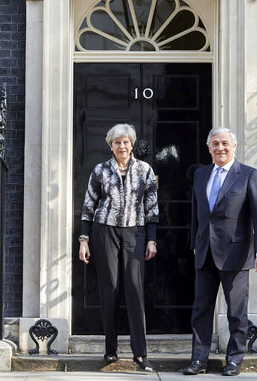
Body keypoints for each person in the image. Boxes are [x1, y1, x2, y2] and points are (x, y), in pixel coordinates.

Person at [183, 127, 257, 377]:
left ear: (234, 146)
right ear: (209, 148)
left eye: (224, 143)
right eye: (215, 144)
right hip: (205, 252)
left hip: (236, 252)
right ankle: (198, 359)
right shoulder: (201, 175)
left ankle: (234, 359)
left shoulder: (249, 175)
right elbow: (197, 215)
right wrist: (194, 245)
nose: (220, 148)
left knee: (236, 311)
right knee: (201, 310)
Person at [78, 123, 158, 372]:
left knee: (134, 289)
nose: (121, 146)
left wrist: (152, 239)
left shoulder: (145, 170)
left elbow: (152, 208)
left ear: (132, 144)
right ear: (110, 146)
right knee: (109, 289)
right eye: (116, 142)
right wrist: (84, 240)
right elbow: (88, 205)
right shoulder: (100, 170)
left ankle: (140, 354)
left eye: (125, 142)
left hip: (136, 232)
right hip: (105, 231)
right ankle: (110, 350)